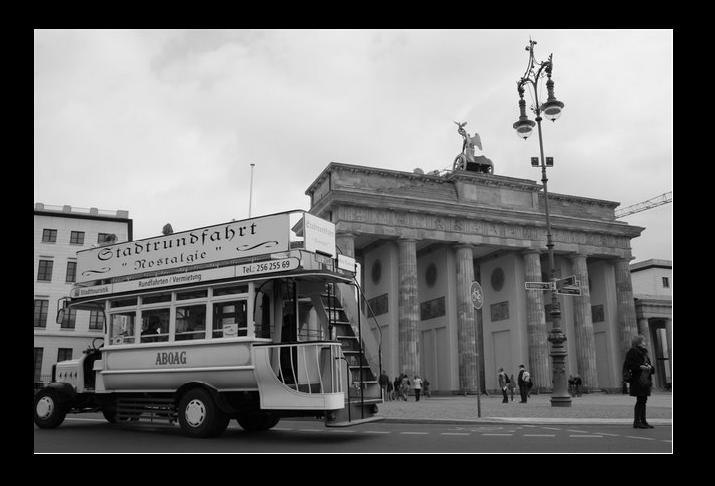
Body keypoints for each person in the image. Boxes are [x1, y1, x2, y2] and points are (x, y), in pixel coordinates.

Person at [623, 334, 656, 429]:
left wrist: (650, 367)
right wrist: (641, 367)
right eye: (644, 341)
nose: (645, 343)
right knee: (640, 400)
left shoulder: (644, 353)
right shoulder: (632, 351)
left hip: (645, 380)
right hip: (638, 380)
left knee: (643, 400)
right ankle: (637, 422)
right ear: (639, 343)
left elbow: (651, 367)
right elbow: (630, 365)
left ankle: (643, 421)